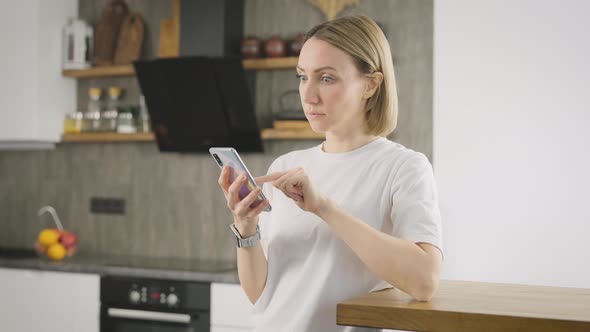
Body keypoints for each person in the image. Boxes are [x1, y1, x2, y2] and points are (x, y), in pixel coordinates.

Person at [217, 15, 443, 332]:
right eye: (302, 77)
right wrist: (246, 229)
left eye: (326, 79)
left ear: (371, 84)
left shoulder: (403, 168)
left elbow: (424, 282)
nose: (308, 95)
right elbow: (263, 296)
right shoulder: (284, 167)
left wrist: (323, 207)